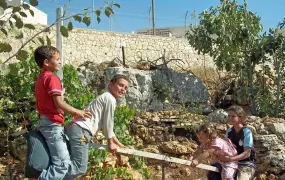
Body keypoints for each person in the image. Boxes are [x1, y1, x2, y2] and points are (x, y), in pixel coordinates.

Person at [34, 45, 92, 180]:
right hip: (52, 125)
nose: (60, 62)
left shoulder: (40, 79)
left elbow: (49, 101)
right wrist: (79, 112)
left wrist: (61, 94)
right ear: (47, 62)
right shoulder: (52, 78)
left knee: (57, 162)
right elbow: (58, 103)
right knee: (62, 165)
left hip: (45, 122)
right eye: (57, 59)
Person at [63, 74, 129, 179]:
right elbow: (108, 123)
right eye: (121, 85)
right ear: (111, 84)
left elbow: (107, 127)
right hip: (81, 132)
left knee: (69, 163)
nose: (123, 89)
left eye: (125, 88)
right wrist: (110, 143)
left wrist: (119, 144)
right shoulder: (110, 98)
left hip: (76, 129)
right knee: (79, 167)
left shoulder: (106, 97)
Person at [216, 105, 256, 180]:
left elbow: (247, 153)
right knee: (213, 173)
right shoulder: (229, 131)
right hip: (231, 162)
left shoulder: (247, 132)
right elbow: (226, 148)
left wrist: (231, 159)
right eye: (229, 116)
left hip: (246, 164)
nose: (230, 118)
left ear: (240, 118)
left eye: (233, 116)